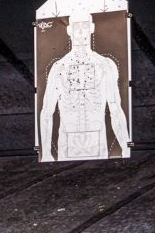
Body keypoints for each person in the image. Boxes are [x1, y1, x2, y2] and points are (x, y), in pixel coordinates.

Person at [37, 17, 128, 161]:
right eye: (76, 27)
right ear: (69, 30)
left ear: (91, 28)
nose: (80, 31)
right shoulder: (59, 68)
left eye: (84, 26)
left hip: (98, 143)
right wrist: (46, 153)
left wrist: (126, 147)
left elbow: (116, 109)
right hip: (67, 144)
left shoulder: (104, 65)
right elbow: (47, 112)